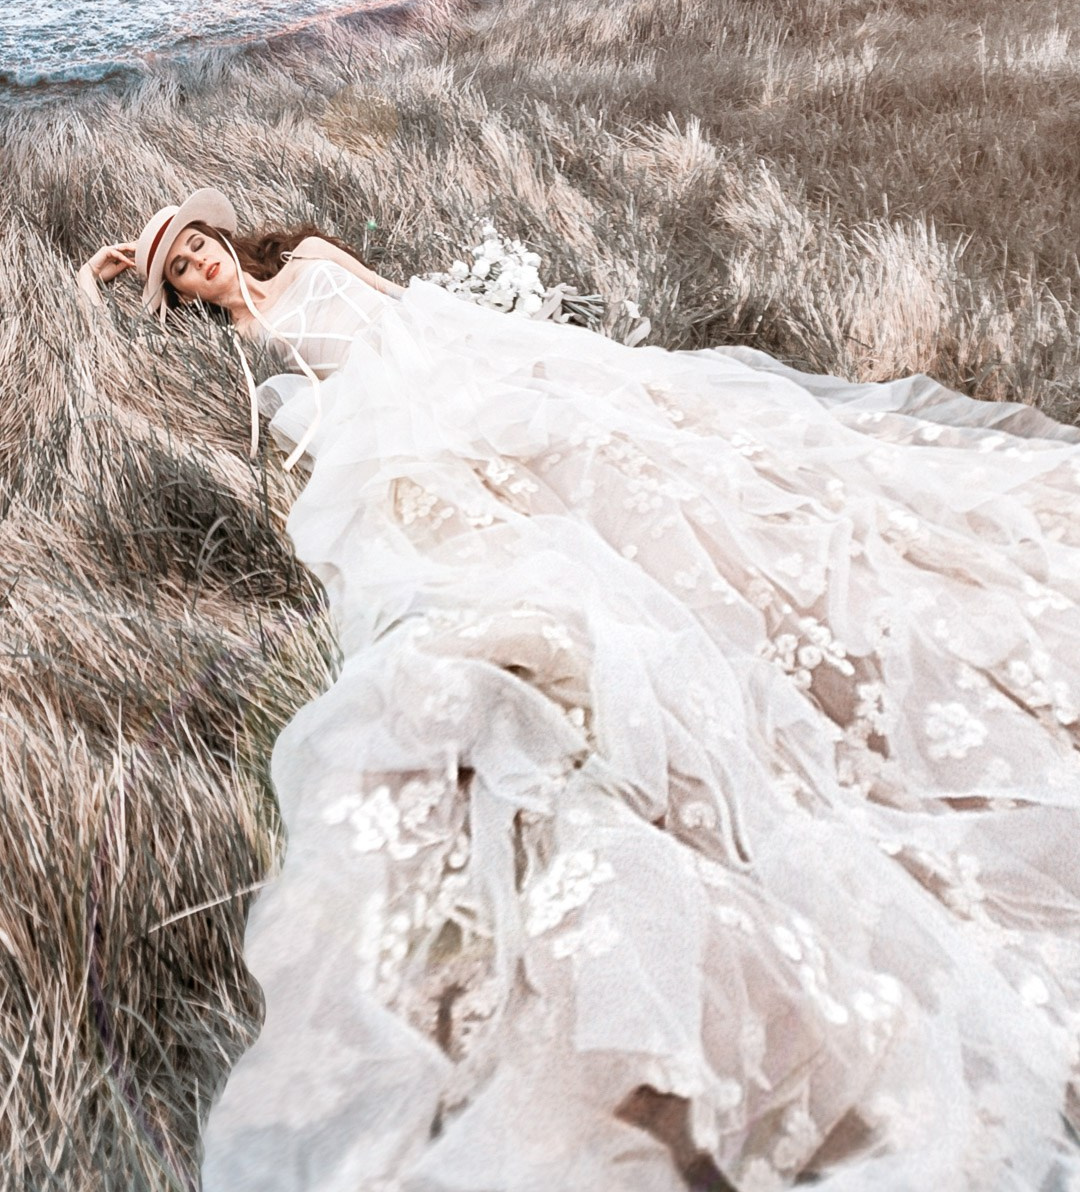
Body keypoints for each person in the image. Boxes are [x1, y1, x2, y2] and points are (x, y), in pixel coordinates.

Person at [81, 188, 1080, 1191]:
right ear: (185, 296)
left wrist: (490, 351)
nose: (200, 266)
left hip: (453, 363)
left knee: (660, 461)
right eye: (182, 274)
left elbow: (401, 301)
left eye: (201, 247)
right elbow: (171, 344)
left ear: (224, 236)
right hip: (399, 414)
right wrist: (110, 274)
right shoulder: (248, 338)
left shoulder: (309, 263)